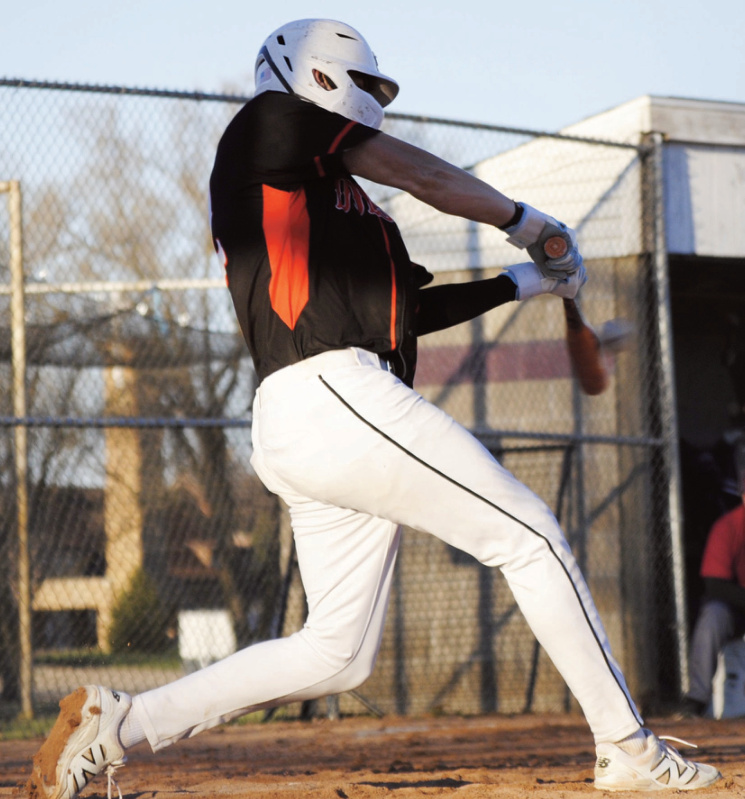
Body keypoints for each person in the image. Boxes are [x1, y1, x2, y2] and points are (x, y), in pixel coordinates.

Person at [28, 18, 721, 798]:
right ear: (310, 76)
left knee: (337, 650)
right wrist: (526, 224)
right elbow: (421, 174)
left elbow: (406, 309)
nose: (366, 104)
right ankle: (627, 747)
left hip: (322, 413)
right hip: (330, 390)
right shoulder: (269, 125)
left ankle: (118, 723)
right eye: (357, 86)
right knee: (532, 537)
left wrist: (528, 282)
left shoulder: (337, 201)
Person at [680, 473, 745, 718]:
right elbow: (715, 586)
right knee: (713, 615)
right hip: (735, 608)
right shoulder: (728, 526)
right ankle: (697, 698)